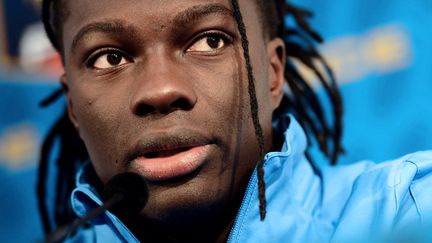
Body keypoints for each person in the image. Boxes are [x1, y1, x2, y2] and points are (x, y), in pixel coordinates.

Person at [37, 0, 432, 242]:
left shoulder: (408, 210)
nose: (160, 90)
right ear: (73, 105)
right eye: (110, 57)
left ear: (273, 74)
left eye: (209, 40)